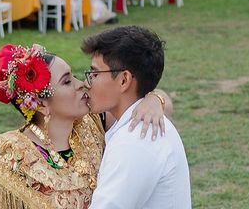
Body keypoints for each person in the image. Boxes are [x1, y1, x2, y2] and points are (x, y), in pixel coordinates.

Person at [0, 43, 168, 208]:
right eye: (66, 81)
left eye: (73, 75)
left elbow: (142, 98)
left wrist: (153, 98)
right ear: (41, 104)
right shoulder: (10, 158)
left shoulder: (92, 121)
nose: (81, 83)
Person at [82, 26, 191, 208]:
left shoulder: (134, 139)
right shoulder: (138, 125)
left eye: (95, 73)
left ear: (124, 80)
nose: (86, 83)